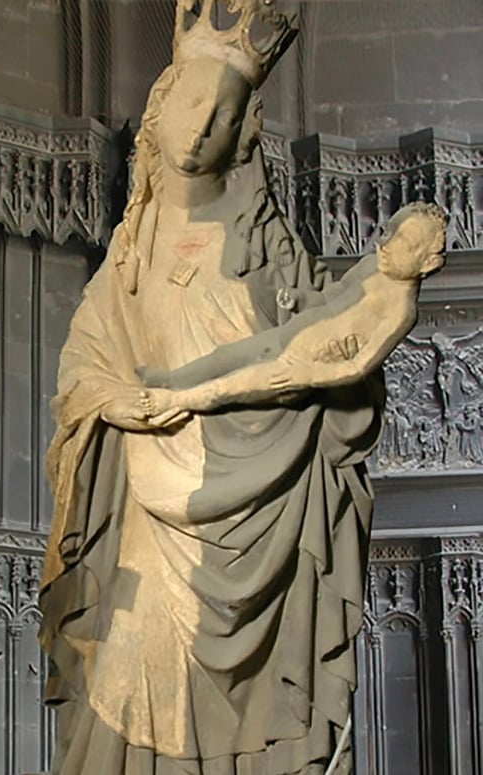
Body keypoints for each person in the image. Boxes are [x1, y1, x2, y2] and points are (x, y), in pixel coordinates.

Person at [39, 2, 389, 773]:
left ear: (243, 131)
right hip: (149, 509)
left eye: (222, 113)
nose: (202, 127)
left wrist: (367, 325)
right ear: (161, 110)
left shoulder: (269, 248)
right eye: (193, 104)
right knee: (126, 714)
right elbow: (82, 368)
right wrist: (115, 401)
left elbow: (323, 360)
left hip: (263, 506)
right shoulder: (129, 256)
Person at [136, 202, 447, 416]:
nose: (386, 245)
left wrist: (308, 373)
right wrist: (299, 300)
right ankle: (168, 380)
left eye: (404, 243)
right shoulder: (372, 266)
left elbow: (358, 368)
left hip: (298, 366)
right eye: (388, 233)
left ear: (429, 261)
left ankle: (170, 402)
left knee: (229, 386)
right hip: (293, 333)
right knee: (226, 357)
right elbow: (334, 296)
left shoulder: (400, 312)